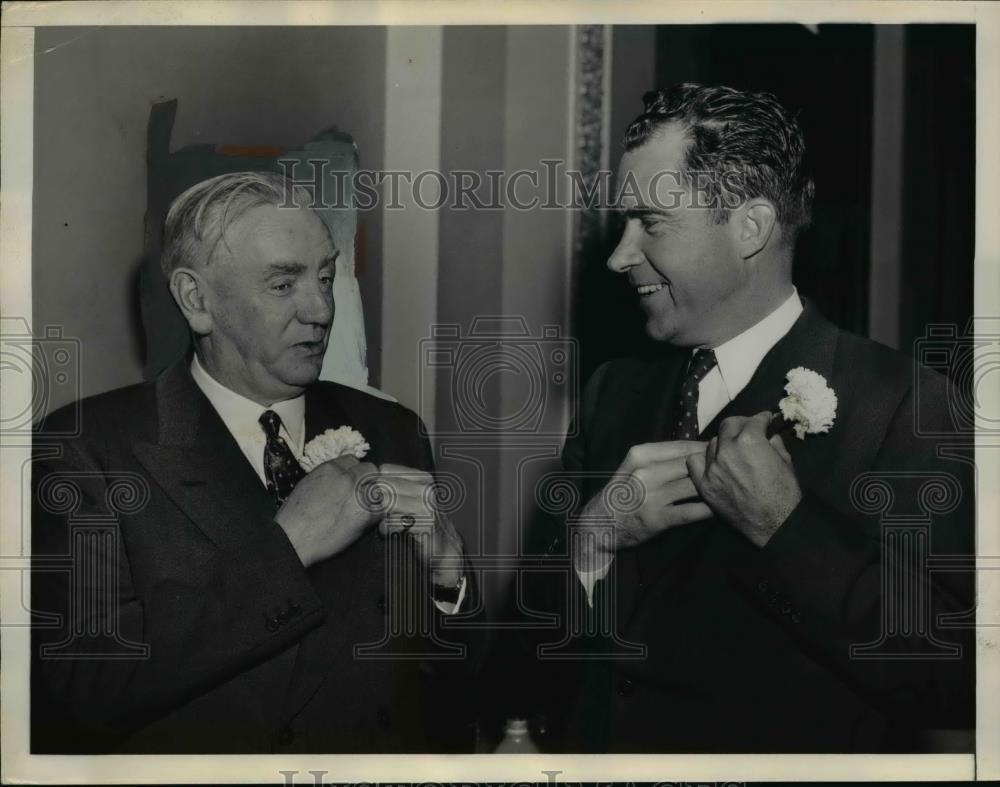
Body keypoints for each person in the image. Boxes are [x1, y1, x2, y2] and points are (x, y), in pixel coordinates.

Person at [521, 84, 975, 753]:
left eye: (650, 222)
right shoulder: (612, 392)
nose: (620, 255)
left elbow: (962, 674)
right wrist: (590, 540)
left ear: (751, 228)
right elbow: (528, 654)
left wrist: (786, 528)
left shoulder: (905, 404)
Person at [31, 172, 477, 754]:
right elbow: (84, 690)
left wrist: (452, 580)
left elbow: (444, 688)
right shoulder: (88, 448)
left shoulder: (394, 431)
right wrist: (288, 546)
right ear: (197, 301)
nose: (320, 308)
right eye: (283, 284)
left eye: (326, 275)